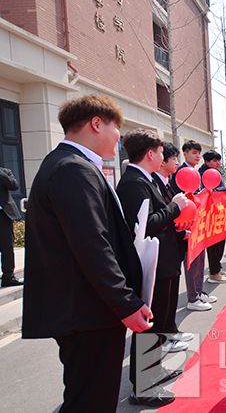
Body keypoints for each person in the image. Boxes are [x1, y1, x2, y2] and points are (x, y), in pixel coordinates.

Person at [22, 95, 153, 412]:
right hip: (88, 312)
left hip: (85, 309)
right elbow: (93, 244)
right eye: (116, 129)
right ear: (97, 123)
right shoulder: (72, 169)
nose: (118, 138)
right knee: (91, 401)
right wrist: (125, 303)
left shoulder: (68, 165)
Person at [117, 129, 190, 407]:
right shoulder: (133, 184)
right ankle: (143, 387)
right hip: (152, 267)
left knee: (159, 323)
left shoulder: (146, 180)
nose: (163, 156)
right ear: (150, 154)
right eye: (160, 152)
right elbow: (144, 225)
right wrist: (174, 208)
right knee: (150, 326)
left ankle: (154, 370)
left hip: (164, 263)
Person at [152, 142, 194, 345]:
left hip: (172, 250)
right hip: (159, 254)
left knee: (170, 299)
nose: (177, 162)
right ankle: (161, 342)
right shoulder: (146, 183)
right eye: (173, 158)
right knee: (160, 303)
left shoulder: (167, 183)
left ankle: (170, 332)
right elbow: (156, 220)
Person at [171, 140, 216, 311]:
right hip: (187, 225)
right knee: (192, 261)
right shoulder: (181, 173)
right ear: (185, 154)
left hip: (199, 224)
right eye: (194, 153)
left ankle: (199, 291)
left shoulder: (196, 173)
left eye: (199, 153)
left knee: (200, 259)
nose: (198, 156)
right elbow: (181, 199)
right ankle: (193, 297)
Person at [200, 150, 226, 284]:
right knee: (213, 244)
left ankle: (217, 268)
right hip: (210, 216)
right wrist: (224, 190)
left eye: (219, 160)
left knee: (220, 242)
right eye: (215, 160)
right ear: (207, 162)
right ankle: (214, 273)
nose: (218, 163)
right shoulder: (203, 174)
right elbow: (207, 191)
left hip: (219, 213)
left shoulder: (216, 173)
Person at [0, 167, 22, 287]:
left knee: (7, 247)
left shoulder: (5, 172)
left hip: (4, 215)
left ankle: (8, 277)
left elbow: (14, 186)